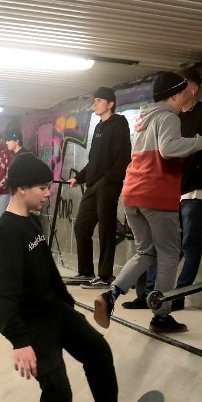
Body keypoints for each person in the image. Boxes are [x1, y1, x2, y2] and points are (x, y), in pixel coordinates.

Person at [0, 152, 152, 402]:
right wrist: (19, 341)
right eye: (41, 187)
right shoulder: (6, 233)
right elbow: (2, 294)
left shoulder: (31, 221)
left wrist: (68, 307)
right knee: (58, 391)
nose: (47, 193)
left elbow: (46, 273)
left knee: (98, 351)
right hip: (33, 325)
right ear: (21, 189)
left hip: (57, 313)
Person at [93, 72, 202, 334]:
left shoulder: (144, 118)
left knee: (146, 252)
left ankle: (110, 295)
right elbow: (169, 149)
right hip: (155, 195)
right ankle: (162, 316)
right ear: (174, 95)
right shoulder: (168, 117)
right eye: (185, 91)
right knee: (169, 255)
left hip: (133, 194)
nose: (190, 94)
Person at [122, 68, 202, 310]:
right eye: (177, 90)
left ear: (192, 89)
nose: (181, 94)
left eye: (185, 88)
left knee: (188, 244)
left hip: (196, 188)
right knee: (161, 248)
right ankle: (151, 295)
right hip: (169, 189)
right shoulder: (169, 115)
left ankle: (175, 297)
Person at [64, 87, 132, 289]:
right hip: (93, 185)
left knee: (106, 230)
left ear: (110, 104)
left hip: (107, 185)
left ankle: (105, 276)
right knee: (81, 226)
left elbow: (123, 158)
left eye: (99, 100)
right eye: (94, 100)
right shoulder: (99, 127)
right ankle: (86, 272)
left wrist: (107, 179)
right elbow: (94, 161)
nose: (94, 104)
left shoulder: (119, 124)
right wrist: (80, 177)